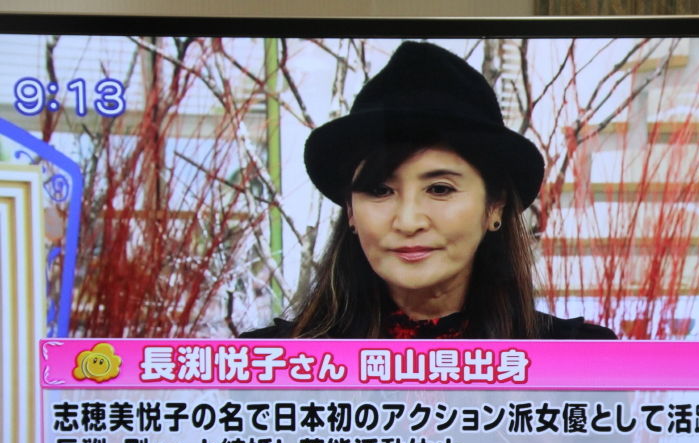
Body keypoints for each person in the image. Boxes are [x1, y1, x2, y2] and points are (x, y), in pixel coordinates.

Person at [244, 41, 614, 342]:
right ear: (351, 212)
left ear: (494, 206)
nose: (408, 221)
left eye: (439, 188)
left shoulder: (580, 363)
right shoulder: (270, 367)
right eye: (379, 190)